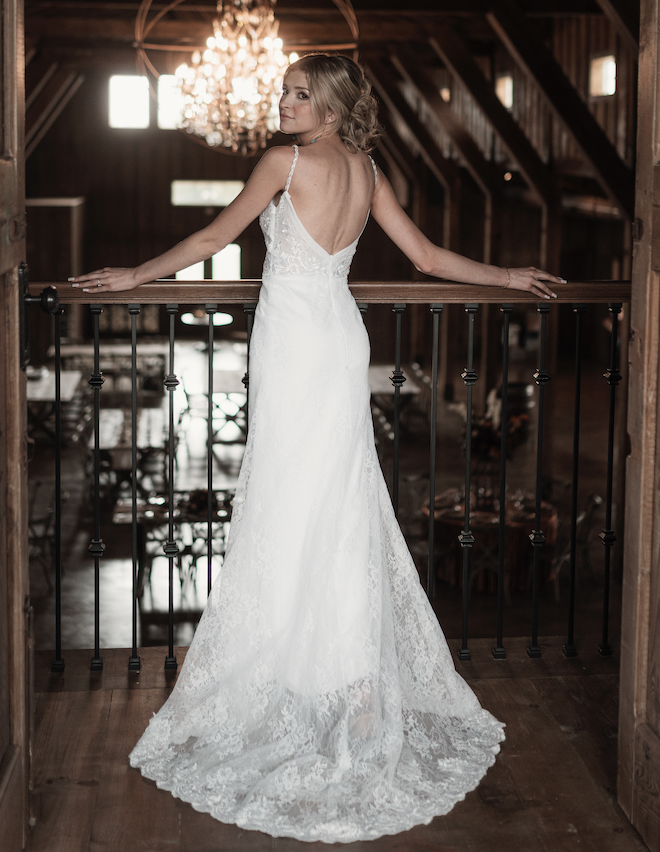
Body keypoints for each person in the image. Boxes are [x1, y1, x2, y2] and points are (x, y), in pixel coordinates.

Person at [71, 54, 563, 843]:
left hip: (297, 346)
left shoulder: (285, 161)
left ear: (332, 107)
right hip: (338, 342)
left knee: (291, 503)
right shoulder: (365, 170)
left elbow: (212, 235)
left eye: (300, 93)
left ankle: (302, 674)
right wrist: (507, 274)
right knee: (337, 503)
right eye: (285, 91)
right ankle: (351, 684)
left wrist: (135, 274)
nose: (285, 101)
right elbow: (429, 259)